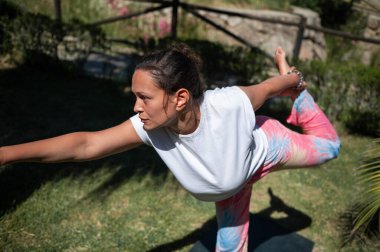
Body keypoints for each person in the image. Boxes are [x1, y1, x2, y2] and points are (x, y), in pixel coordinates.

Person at [0, 43, 341, 251]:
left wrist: (292, 79)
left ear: (179, 98)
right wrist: (6, 154)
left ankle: (302, 100)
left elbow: (269, 88)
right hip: (229, 184)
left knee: (330, 147)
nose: (136, 106)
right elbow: (86, 144)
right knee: (229, 243)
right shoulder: (152, 128)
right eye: (135, 96)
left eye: (144, 97)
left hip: (264, 147)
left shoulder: (230, 104)